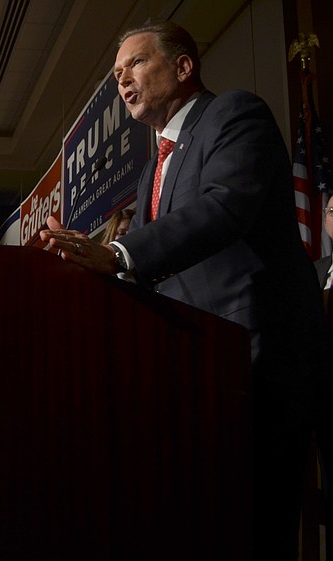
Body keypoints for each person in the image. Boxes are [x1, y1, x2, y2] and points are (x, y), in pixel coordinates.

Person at [39, 20, 332, 560]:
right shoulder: (154, 163)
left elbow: (224, 207)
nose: (122, 79)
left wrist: (122, 254)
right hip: (195, 376)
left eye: (135, 64)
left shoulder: (234, 115)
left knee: (257, 529)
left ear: (182, 66)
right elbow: (163, 268)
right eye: (117, 72)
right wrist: (106, 265)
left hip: (259, 362)